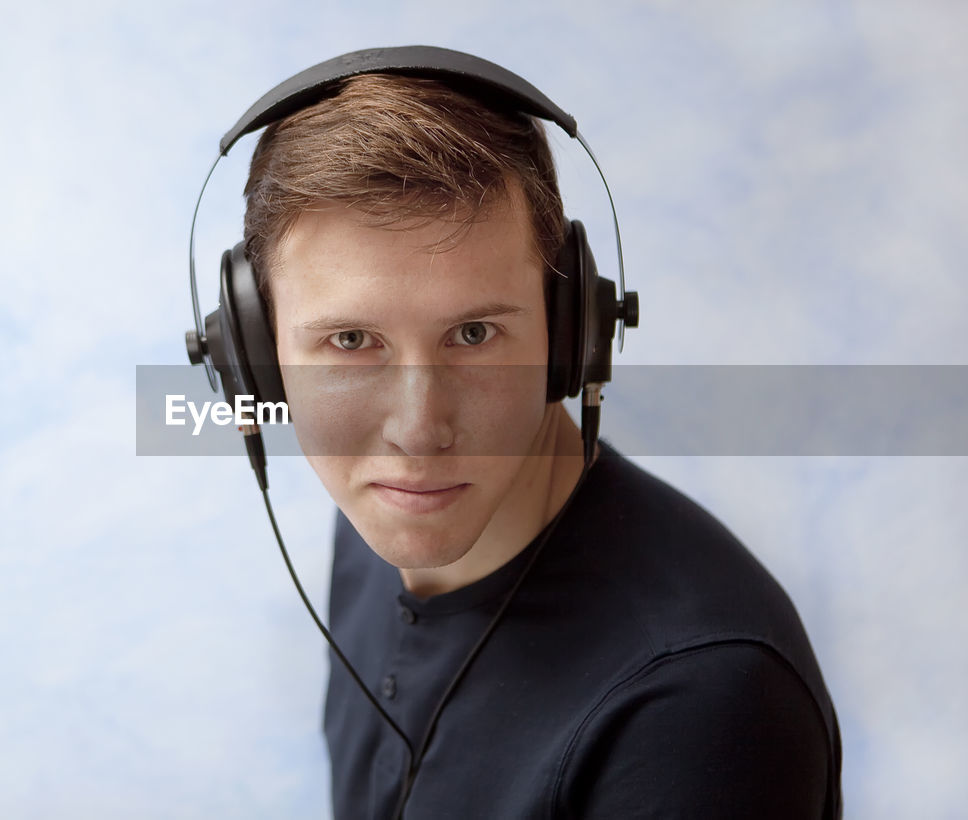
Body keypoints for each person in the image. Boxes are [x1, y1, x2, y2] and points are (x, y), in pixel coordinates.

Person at [225, 51, 841, 819]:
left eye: (474, 333)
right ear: (254, 358)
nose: (418, 433)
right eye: (351, 342)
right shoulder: (380, 519)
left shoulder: (699, 707)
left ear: (570, 331)